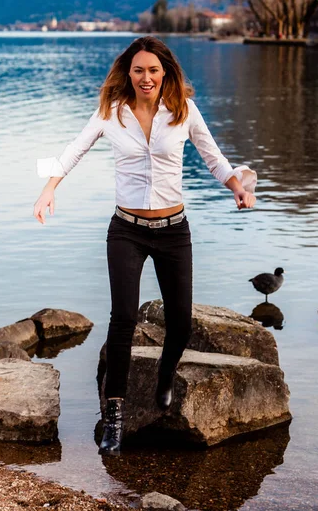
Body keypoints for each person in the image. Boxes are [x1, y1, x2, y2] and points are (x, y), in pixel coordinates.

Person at [33, 36, 257, 456]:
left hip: (174, 230)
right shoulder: (111, 113)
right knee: (122, 319)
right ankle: (114, 418)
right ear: (128, 73)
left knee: (181, 323)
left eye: (154, 70)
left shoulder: (185, 111)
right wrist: (48, 190)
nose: (146, 77)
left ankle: (166, 375)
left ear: (166, 72)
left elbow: (214, 158)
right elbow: (74, 150)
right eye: (139, 70)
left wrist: (236, 188)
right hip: (127, 230)